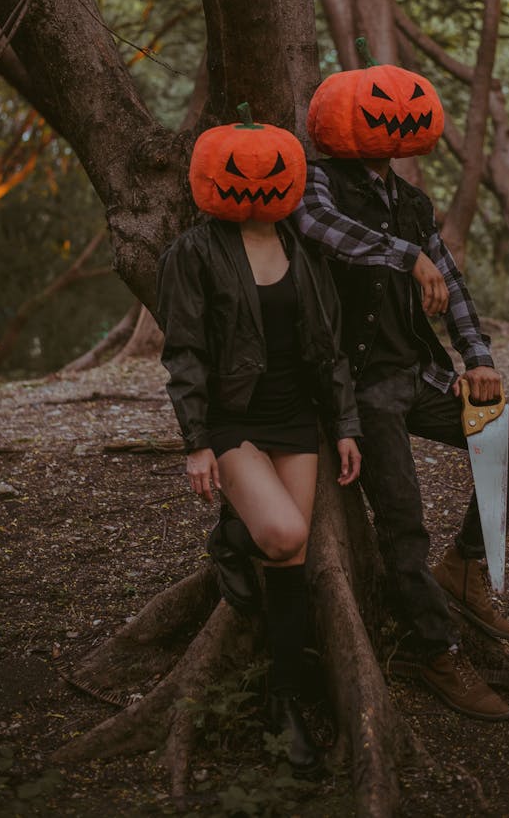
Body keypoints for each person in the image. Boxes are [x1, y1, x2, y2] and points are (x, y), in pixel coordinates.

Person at [295, 62, 509, 722]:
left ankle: (464, 565)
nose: (394, 113)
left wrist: (479, 358)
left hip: (419, 377)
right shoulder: (316, 182)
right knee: (402, 527)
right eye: (379, 103)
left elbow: (453, 288)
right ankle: (436, 651)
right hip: (361, 390)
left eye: (406, 103)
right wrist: (407, 256)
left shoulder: (412, 202)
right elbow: (318, 226)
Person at [156, 108, 361, 774]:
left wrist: (346, 425)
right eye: (241, 173)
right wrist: (196, 442)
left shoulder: (304, 248)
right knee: (279, 534)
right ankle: (231, 538)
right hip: (235, 421)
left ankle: (285, 702)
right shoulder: (194, 252)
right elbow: (184, 352)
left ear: (292, 175)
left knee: (291, 563)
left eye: (273, 171)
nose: (256, 183)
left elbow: (328, 348)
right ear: (211, 178)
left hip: (298, 421)